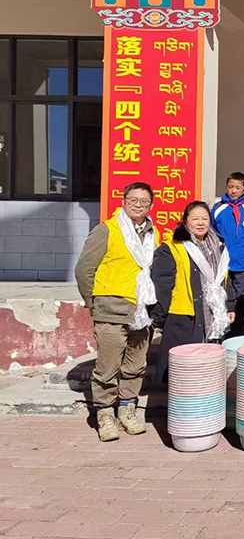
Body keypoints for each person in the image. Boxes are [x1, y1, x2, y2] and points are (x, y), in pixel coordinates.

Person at [75, 182, 159, 442]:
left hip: (141, 311)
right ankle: (105, 414)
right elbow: (84, 269)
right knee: (108, 366)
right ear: (123, 201)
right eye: (133, 199)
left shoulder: (153, 233)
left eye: (144, 201)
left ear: (151, 205)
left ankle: (127, 409)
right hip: (111, 307)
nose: (138, 205)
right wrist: (93, 301)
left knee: (136, 365)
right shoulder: (107, 230)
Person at [151, 202, 235, 382]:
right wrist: (158, 317)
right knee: (184, 374)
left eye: (204, 218)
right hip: (185, 316)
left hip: (214, 315)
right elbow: (162, 285)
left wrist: (230, 305)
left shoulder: (219, 246)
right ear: (185, 221)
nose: (200, 223)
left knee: (207, 371)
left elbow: (224, 279)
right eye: (195, 218)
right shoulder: (172, 248)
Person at [211, 172, 244, 336]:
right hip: (222, 262)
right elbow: (212, 232)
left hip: (243, 262)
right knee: (223, 295)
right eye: (230, 187)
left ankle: (238, 328)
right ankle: (223, 328)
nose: (233, 191)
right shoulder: (218, 208)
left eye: (237, 187)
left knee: (241, 296)